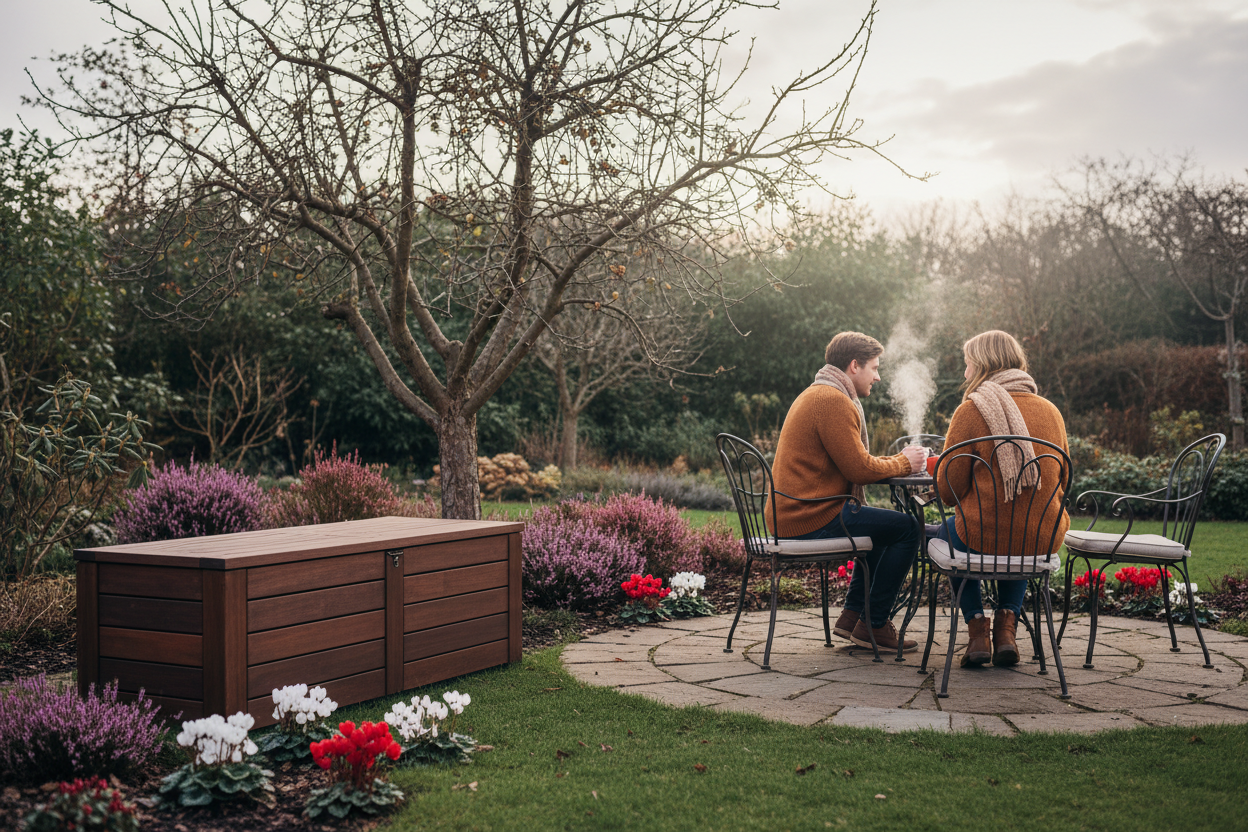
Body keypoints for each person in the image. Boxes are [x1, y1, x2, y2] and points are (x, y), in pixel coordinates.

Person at [768, 331, 927, 652]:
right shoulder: (832, 401)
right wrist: (904, 463)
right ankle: (874, 624)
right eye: (874, 368)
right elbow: (860, 471)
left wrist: (897, 462)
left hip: (797, 511)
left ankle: (853, 616)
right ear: (854, 365)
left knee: (884, 526)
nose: (878, 376)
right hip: (809, 517)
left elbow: (855, 462)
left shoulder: (819, 394)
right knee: (908, 529)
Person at [935, 330, 1071, 667]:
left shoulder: (971, 411)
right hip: (1040, 539)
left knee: (945, 534)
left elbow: (947, 490)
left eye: (967, 365)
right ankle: (1006, 629)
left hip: (983, 539)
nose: (965, 373)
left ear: (982, 365)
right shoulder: (1051, 411)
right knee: (1022, 527)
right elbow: (1064, 478)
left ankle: (977, 628)